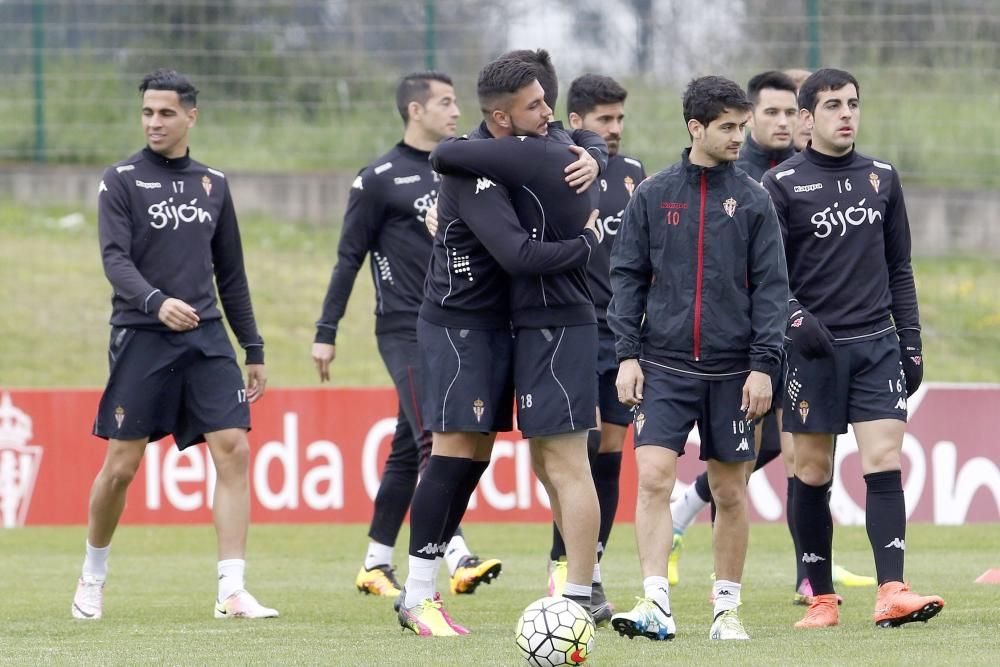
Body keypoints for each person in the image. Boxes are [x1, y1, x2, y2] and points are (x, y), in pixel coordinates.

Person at [396, 57, 602, 637]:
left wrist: (595, 150)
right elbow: (516, 256)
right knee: (455, 453)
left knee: (477, 457)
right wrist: (586, 245)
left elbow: (575, 134)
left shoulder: (536, 145)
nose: (548, 112)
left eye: (545, 101)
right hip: (459, 324)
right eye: (535, 105)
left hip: (504, 326)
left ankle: (576, 592)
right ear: (500, 116)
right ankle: (416, 596)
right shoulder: (472, 169)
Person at [74, 69, 277, 620]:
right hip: (142, 334)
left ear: (191, 115)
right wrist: (155, 301)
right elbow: (115, 259)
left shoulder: (214, 182)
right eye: (147, 113)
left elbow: (231, 274)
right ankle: (93, 575)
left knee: (233, 447)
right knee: (121, 466)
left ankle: (231, 589)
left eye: (165, 112)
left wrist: (252, 348)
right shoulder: (120, 180)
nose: (154, 122)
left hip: (207, 336)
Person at [762, 68, 944, 630]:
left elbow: (900, 268)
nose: (847, 114)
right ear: (807, 118)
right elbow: (766, 276)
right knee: (812, 472)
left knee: (884, 462)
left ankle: (892, 589)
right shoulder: (782, 184)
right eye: (834, 105)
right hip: (813, 353)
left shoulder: (882, 179)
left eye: (854, 104)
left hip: (876, 345)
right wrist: (796, 321)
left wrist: (910, 342)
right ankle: (820, 599)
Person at [609, 75, 788, 641]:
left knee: (730, 492)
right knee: (655, 479)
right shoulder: (653, 194)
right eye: (728, 127)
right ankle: (655, 603)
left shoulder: (756, 199)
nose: (741, 136)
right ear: (696, 128)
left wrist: (764, 365)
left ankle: (726, 611)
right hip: (660, 366)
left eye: (743, 125)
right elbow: (627, 278)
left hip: (735, 371)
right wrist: (627, 355)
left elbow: (772, 289)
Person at [311, 72, 500, 601]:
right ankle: (458, 554)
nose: (456, 111)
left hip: (451, 320)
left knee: (404, 446)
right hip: (401, 326)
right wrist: (326, 331)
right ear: (414, 111)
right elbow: (349, 257)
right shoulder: (379, 178)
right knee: (432, 435)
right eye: (445, 102)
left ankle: (375, 562)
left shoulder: (459, 169)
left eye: (457, 101)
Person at [543, 74, 646, 617]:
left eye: (620, 119)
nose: (615, 130)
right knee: (573, 452)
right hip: (568, 327)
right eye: (605, 120)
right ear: (576, 121)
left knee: (608, 453)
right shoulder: (559, 166)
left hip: (621, 333)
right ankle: (565, 567)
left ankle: (594, 571)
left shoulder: (633, 176)